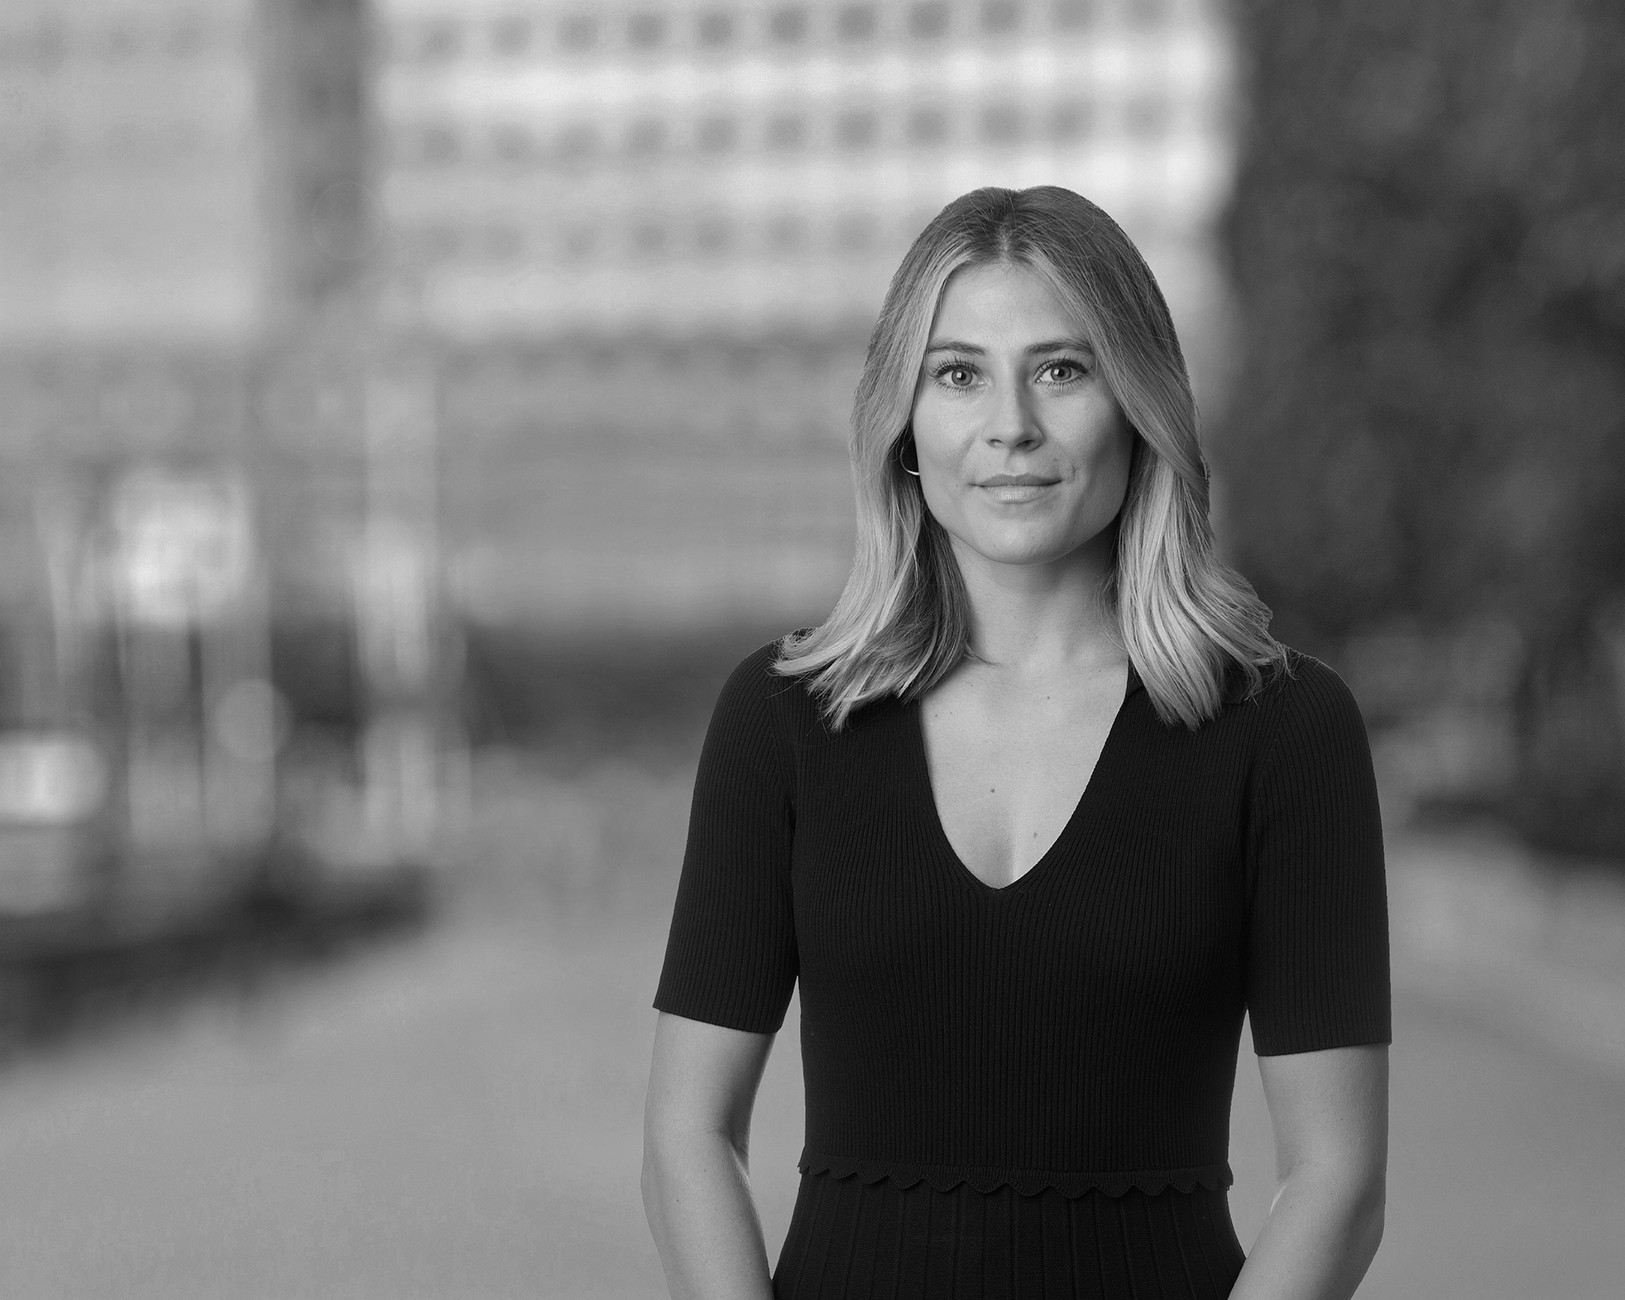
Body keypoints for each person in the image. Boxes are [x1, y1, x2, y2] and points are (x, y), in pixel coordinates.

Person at [641, 186, 1389, 1299]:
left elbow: (1336, 1177)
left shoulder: (1284, 731)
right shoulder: (783, 718)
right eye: (957, 374)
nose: (1010, 427)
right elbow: (686, 1136)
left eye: (1061, 369)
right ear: (901, 420)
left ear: (1136, 402)